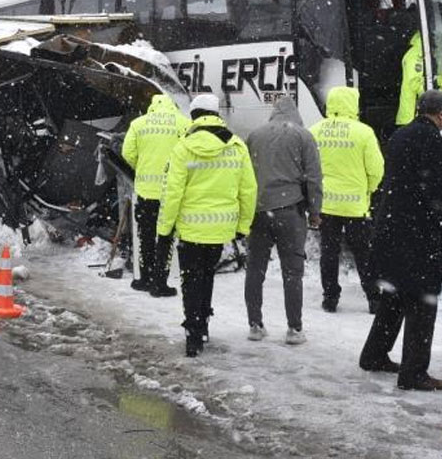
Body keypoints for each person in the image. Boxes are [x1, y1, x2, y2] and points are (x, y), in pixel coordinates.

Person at [360, 89, 442, 391]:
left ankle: (374, 354)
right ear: (440, 114)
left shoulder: (400, 136)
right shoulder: (434, 142)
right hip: (418, 236)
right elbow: (436, 193)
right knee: (422, 303)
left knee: (394, 296)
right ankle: (414, 372)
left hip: (392, 229)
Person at [157, 94, 257, 357]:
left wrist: (164, 229)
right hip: (220, 229)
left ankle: (193, 333)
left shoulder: (184, 147)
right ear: (217, 116)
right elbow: (248, 190)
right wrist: (242, 226)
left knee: (191, 279)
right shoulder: (237, 146)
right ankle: (203, 325)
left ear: (194, 116)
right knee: (207, 275)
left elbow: (172, 193)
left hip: (190, 230)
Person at [243, 95, 321, 345]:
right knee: (292, 272)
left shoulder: (255, 135)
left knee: (255, 269)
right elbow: (313, 177)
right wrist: (315, 210)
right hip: (289, 212)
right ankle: (294, 329)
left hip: (259, 210)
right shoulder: (303, 135)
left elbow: (245, 174)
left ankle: (255, 325)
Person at [310, 86, 384, 314]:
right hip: (355, 206)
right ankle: (373, 297)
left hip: (327, 204)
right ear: (353, 104)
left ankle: (330, 297)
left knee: (329, 252)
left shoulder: (315, 131)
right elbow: (376, 169)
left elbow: (308, 168)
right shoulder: (364, 132)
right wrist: (368, 190)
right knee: (364, 253)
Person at [121, 94, 190, 297]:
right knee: (166, 237)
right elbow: (190, 153)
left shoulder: (138, 123)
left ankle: (144, 279)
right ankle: (160, 283)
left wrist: (141, 168)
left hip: (146, 191)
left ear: (153, 106)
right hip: (171, 192)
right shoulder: (184, 124)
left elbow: (128, 153)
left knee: (146, 236)